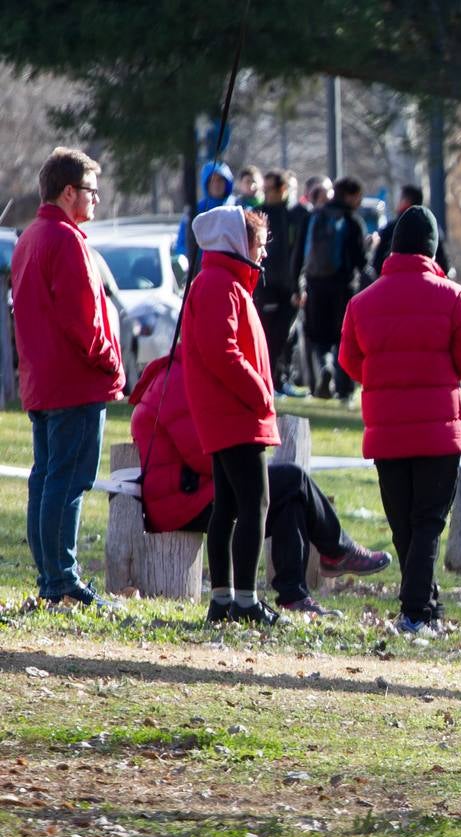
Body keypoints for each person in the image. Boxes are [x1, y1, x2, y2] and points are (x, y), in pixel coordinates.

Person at [129, 350, 390, 616]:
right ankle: (337, 549)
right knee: (293, 479)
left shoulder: (184, 373)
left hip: (195, 490)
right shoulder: (178, 380)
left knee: (290, 498)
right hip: (181, 500)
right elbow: (204, 454)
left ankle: (294, 596)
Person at [341, 206, 461, 635]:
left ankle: (425, 604)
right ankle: (414, 612)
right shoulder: (453, 295)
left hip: (386, 429)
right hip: (439, 429)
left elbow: (350, 361)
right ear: (432, 248)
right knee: (428, 521)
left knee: (403, 523)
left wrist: (385, 378)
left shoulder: (361, 302)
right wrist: (448, 370)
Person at [13, 147, 125, 609]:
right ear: (68, 192)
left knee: (46, 478)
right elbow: (86, 323)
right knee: (69, 480)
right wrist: (112, 365)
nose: (96, 200)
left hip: (43, 381)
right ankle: (62, 580)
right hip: (74, 382)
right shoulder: (65, 240)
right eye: (91, 192)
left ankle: (50, 578)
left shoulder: (29, 238)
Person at [181, 206, 282, 625]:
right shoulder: (220, 284)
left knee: (226, 505)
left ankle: (223, 599)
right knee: (255, 503)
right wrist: (259, 392)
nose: (262, 254)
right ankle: (244, 601)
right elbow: (222, 351)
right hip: (235, 412)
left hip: (227, 412)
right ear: (239, 243)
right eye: (259, 244)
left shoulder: (225, 283)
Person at [301, 176, 368, 403]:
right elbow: (361, 260)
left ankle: (324, 366)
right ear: (349, 195)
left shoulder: (315, 217)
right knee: (344, 337)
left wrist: (296, 284)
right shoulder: (352, 221)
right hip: (344, 287)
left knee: (319, 337)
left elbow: (299, 255)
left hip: (315, 284)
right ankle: (344, 390)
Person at [255, 170, 309, 397]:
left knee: (285, 336)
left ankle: (280, 379)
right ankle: (267, 381)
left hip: (288, 286)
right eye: (264, 190)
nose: (266, 194)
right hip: (264, 286)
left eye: (271, 190)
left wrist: (299, 286)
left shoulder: (295, 216)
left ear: (283, 189)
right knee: (265, 336)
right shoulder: (259, 214)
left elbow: (300, 254)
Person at [372, 184, 450, 275]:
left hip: (394, 282)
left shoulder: (392, 229)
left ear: (406, 201)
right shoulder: (431, 229)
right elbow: (444, 264)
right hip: (428, 282)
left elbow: (377, 263)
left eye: (400, 198)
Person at [173, 161, 236, 259]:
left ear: (227, 182)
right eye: (212, 180)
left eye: (220, 180)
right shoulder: (196, 210)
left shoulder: (237, 207)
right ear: (206, 183)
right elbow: (182, 244)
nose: (216, 184)